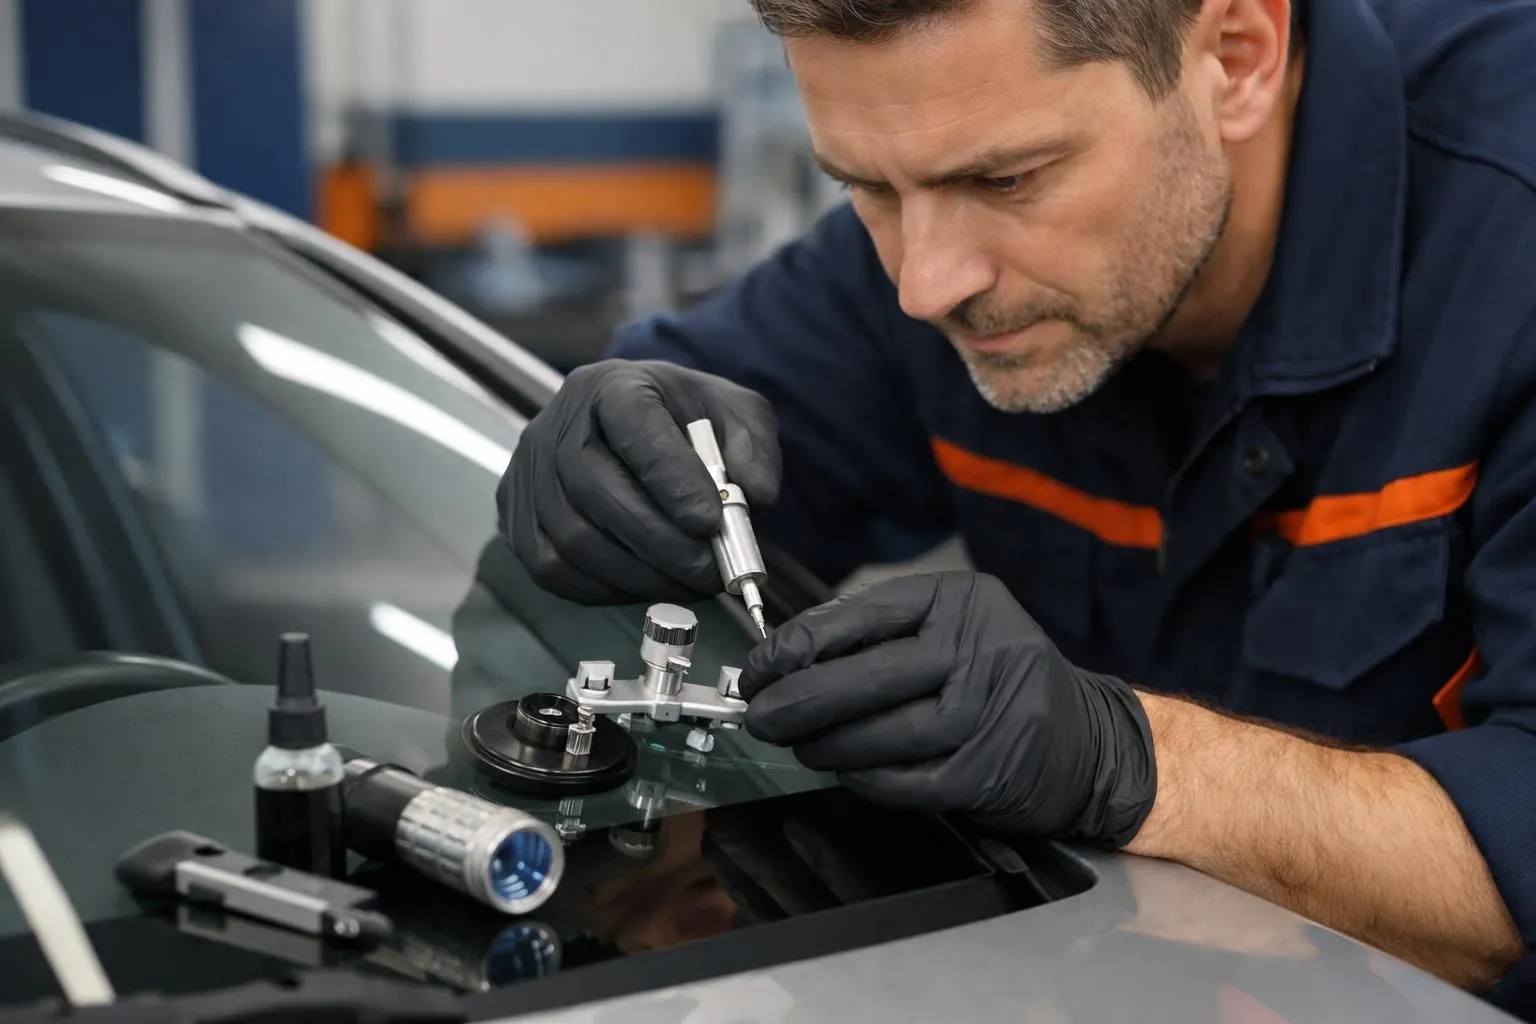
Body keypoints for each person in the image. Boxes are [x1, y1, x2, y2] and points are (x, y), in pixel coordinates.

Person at [498, 0, 1536, 1012]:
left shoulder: (1509, 241)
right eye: (865, 186)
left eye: (1006, 178)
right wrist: (600, 452)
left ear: (1236, 53)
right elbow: (684, 431)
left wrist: (1127, 760)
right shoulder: (942, 230)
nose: (926, 284)